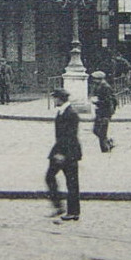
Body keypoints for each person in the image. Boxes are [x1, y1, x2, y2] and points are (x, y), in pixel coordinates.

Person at [45, 87, 82, 222]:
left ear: (60, 99)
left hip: (68, 152)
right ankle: (60, 207)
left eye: (55, 98)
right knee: (51, 177)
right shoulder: (63, 112)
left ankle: (73, 212)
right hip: (61, 150)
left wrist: (61, 154)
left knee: (71, 182)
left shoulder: (70, 113)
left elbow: (70, 137)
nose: (54, 100)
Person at [90, 70, 116, 153]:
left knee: (102, 131)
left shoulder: (105, 87)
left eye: (95, 79)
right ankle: (108, 143)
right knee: (96, 130)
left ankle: (105, 149)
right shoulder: (99, 86)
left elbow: (108, 101)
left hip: (105, 112)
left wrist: (96, 102)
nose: (94, 81)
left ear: (100, 79)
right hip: (100, 111)